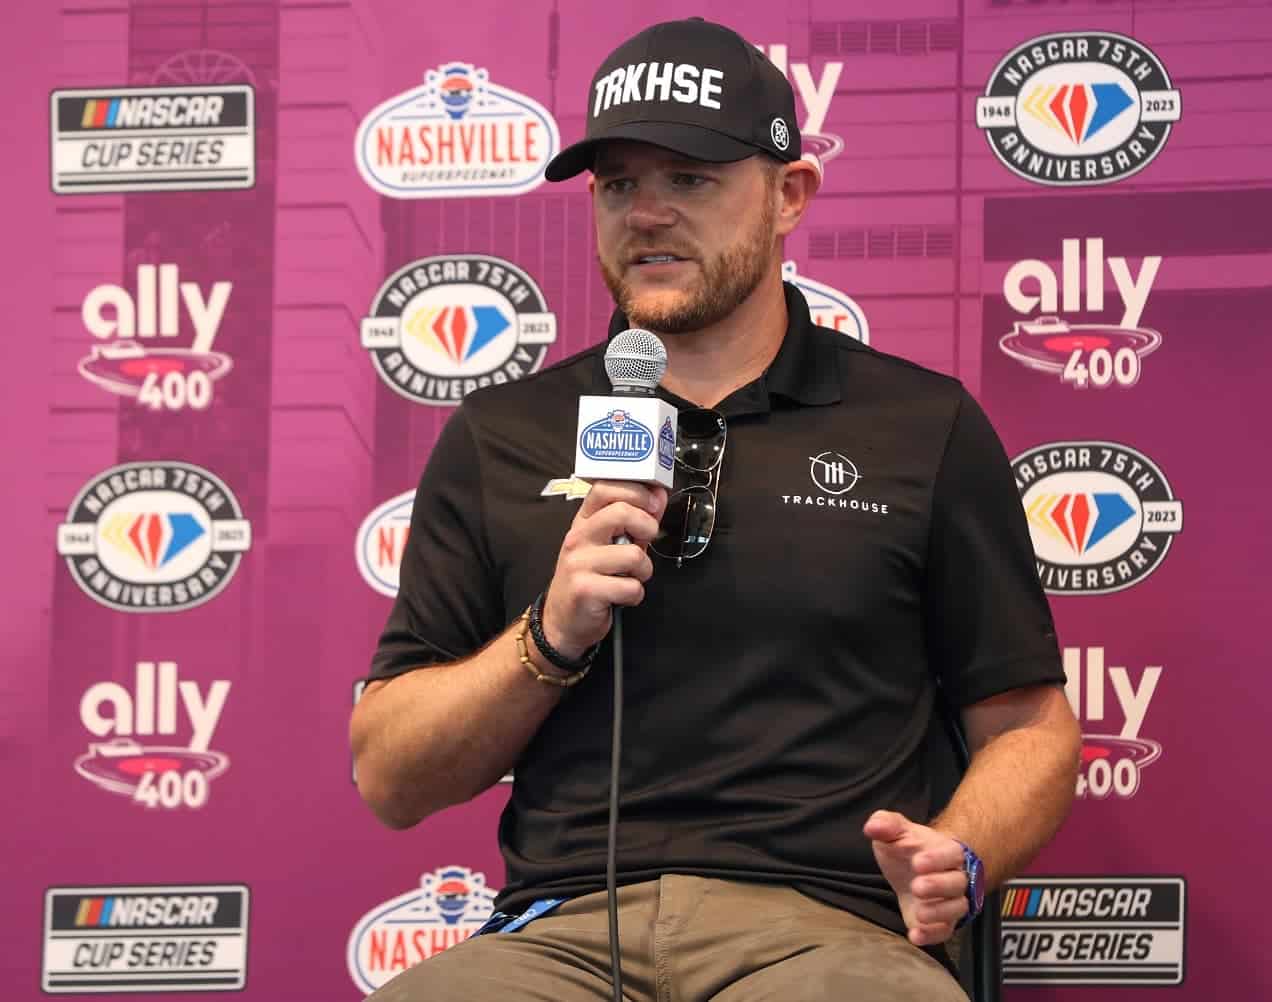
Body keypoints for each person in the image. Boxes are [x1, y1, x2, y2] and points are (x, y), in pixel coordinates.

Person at [350, 16, 1080, 1001]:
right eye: (618, 185)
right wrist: (549, 637)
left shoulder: (921, 424)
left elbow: (1030, 728)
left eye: (689, 179)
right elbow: (391, 778)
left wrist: (962, 850)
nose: (646, 214)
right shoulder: (502, 432)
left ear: (789, 195)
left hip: (823, 935)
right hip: (557, 936)